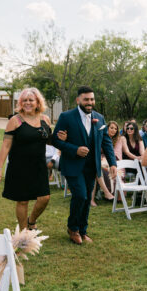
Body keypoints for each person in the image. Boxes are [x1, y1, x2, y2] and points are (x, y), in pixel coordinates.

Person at [0, 87, 66, 231]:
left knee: (44, 198)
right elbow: (6, 145)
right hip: (20, 166)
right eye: (24, 100)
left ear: (37, 102)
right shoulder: (15, 120)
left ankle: (31, 221)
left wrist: (61, 138)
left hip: (39, 166)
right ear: (20, 103)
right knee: (22, 201)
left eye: (31, 100)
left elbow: (48, 140)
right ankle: (23, 232)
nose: (27, 103)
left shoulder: (44, 119)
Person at [52, 86, 117, 245]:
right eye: (86, 99)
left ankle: (83, 230)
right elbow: (55, 140)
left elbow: (106, 142)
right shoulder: (66, 117)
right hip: (73, 165)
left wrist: (112, 163)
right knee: (80, 195)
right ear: (78, 100)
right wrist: (75, 149)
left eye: (92, 99)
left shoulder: (99, 118)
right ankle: (72, 229)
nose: (90, 102)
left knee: (88, 198)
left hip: (92, 167)